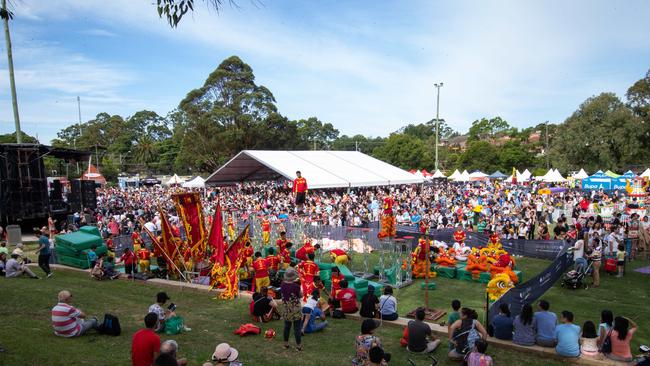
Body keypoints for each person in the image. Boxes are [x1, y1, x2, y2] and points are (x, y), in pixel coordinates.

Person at [280, 267, 303, 351]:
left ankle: (286, 344)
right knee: (297, 328)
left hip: (286, 308)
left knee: (287, 327)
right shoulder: (296, 286)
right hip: (295, 309)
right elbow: (301, 295)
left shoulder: (282, 284)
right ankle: (298, 346)